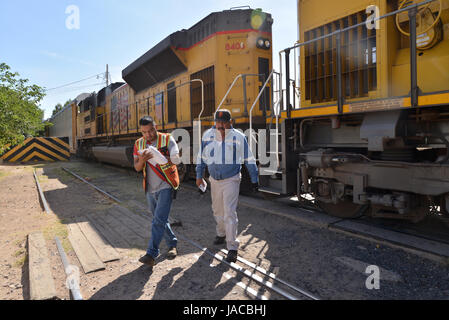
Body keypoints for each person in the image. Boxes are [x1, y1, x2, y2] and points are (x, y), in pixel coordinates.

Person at [196, 109, 258, 263]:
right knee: (217, 210)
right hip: (214, 180)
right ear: (214, 123)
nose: (221, 126)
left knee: (229, 212)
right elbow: (201, 157)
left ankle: (232, 247)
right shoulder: (207, 136)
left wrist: (254, 178)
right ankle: (221, 233)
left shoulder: (238, 137)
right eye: (218, 122)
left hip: (231, 179)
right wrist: (198, 176)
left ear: (231, 123)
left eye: (224, 123)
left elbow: (248, 158)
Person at [133, 116, 181, 267]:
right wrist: (143, 159)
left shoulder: (167, 139)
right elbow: (137, 167)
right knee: (159, 219)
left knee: (158, 220)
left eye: (151, 130)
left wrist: (162, 157)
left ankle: (151, 253)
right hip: (150, 188)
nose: (148, 135)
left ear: (156, 126)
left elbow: (176, 158)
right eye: (144, 132)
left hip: (166, 185)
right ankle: (172, 243)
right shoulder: (138, 143)